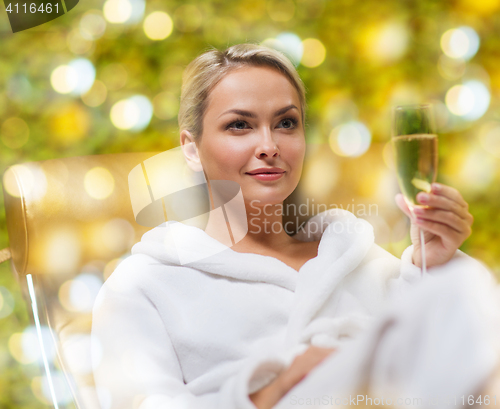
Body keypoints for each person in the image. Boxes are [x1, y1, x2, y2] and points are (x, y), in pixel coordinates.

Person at [91, 43, 500, 409]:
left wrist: (435, 264)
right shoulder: (143, 287)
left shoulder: (358, 259)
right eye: (240, 125)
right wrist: (276, 388)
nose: (269, 145)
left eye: (286, 123)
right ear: (191, 149)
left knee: (463, 291)